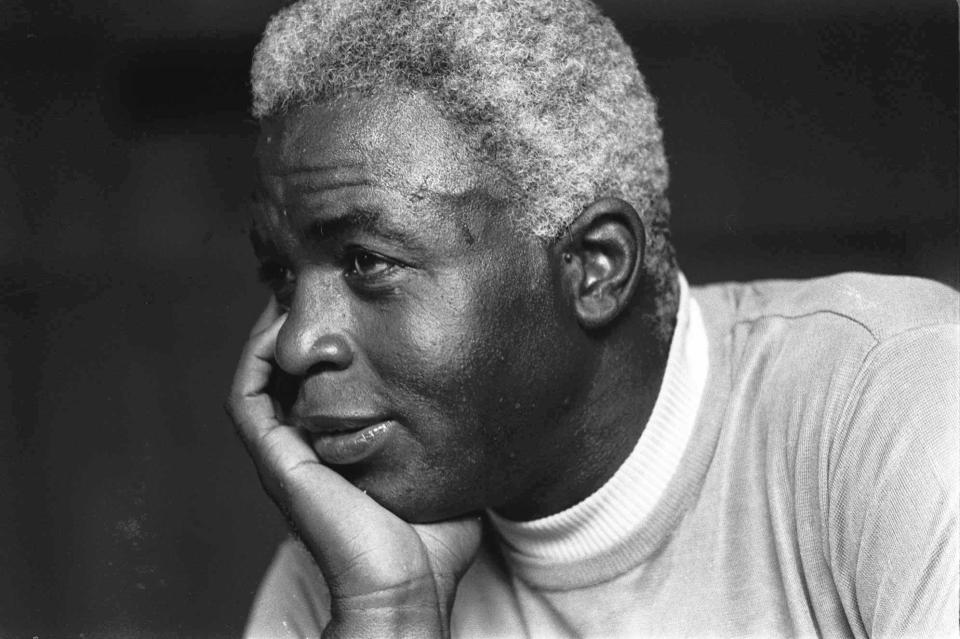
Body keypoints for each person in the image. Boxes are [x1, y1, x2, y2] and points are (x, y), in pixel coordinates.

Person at [225, 0, 959, 636]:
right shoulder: (356, 553)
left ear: (594, 267)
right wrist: (388, 613)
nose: (293, 343)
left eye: (365, 260)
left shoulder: (895, 400)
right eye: (281, 277)